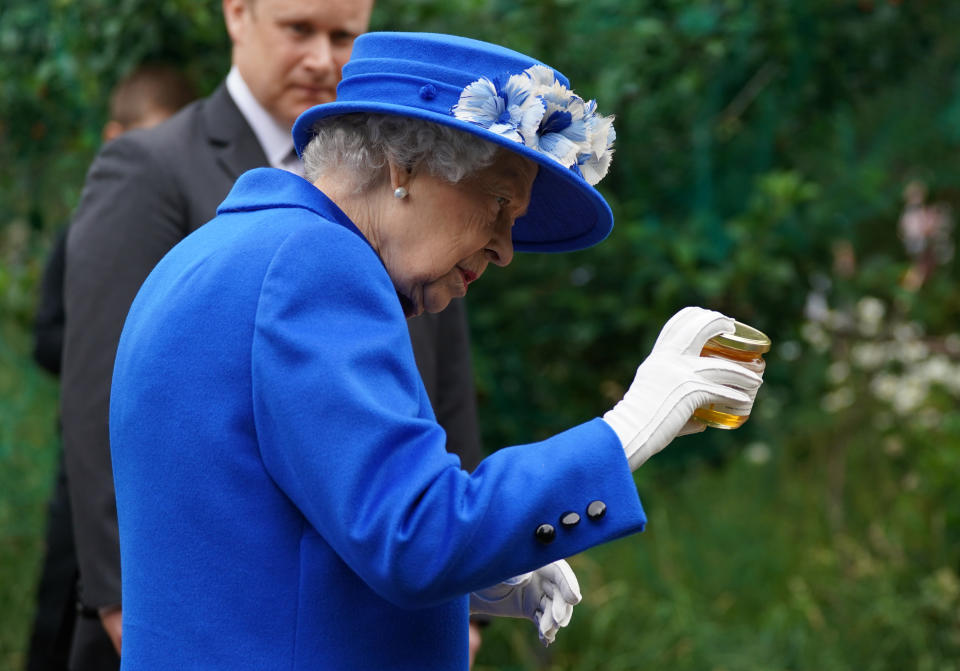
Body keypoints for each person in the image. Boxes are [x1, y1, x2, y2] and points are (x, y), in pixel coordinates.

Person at [108, 32, 763, 669]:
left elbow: (247, 540)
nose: (507, 248)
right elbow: (414, 536)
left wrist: (479, 580)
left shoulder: (212, 254)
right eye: (500, 204)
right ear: (404, 168)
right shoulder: (315, 263)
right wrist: (634, 423)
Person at [60, 0, 487, 662]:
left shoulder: (421, 197)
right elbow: (103, 386)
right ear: (237, 15)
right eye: (300, 30)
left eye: (344, 35)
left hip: (362, 593)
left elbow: (441, 386)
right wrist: (127, 599)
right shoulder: (152, 167)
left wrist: (465, 580)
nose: (323, 58)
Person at [27, 63, 196, 671]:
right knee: (64, 593)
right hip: (89, 459)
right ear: (114, 135)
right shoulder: (80, 232)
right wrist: (99, 350)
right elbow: (48, 336)